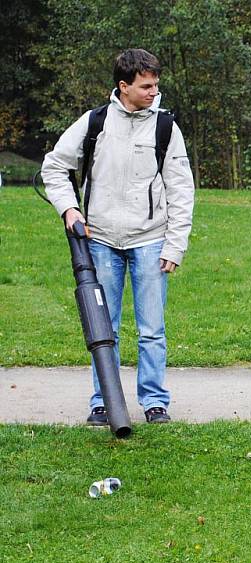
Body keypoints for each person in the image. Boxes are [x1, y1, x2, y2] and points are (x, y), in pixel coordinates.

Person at [42, 49, 195, 425]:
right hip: (101, 241)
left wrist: (175, 244)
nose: (153, 92)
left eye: (156, 85)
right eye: (146, 86)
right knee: (102, 329)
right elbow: (54, 166)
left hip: (150, 240)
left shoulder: (165, 127)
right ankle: (102, 401)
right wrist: (69, 208)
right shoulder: (95, 123)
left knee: (152, 330)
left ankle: (155, 402)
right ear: (123, 86)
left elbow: (181, 190)